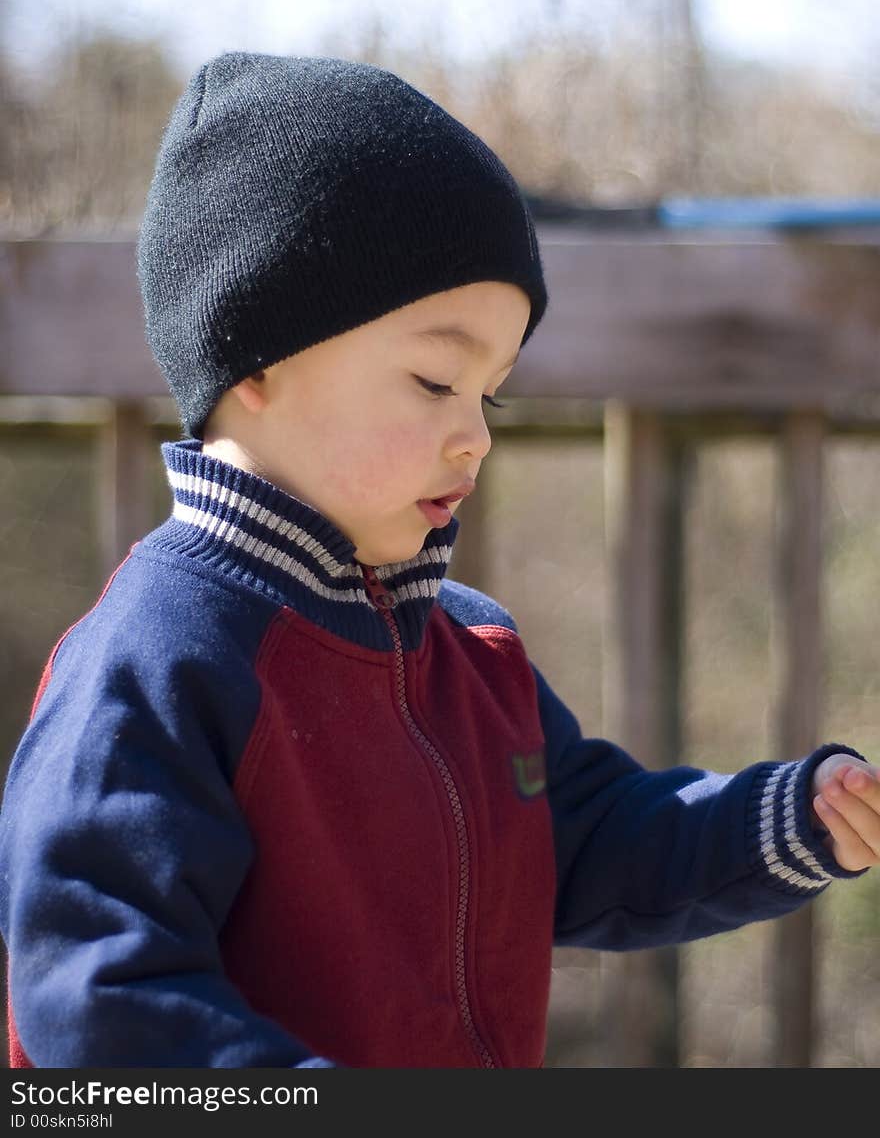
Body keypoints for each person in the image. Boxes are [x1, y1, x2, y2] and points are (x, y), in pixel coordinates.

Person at [0, 52, 877, 1070]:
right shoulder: (158, 661)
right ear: (255, 362)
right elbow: (101, 1001)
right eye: (432, 380)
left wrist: (786, 819)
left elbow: (585, 841)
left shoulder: (470, 644)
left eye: (490, 394)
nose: (476, 437)